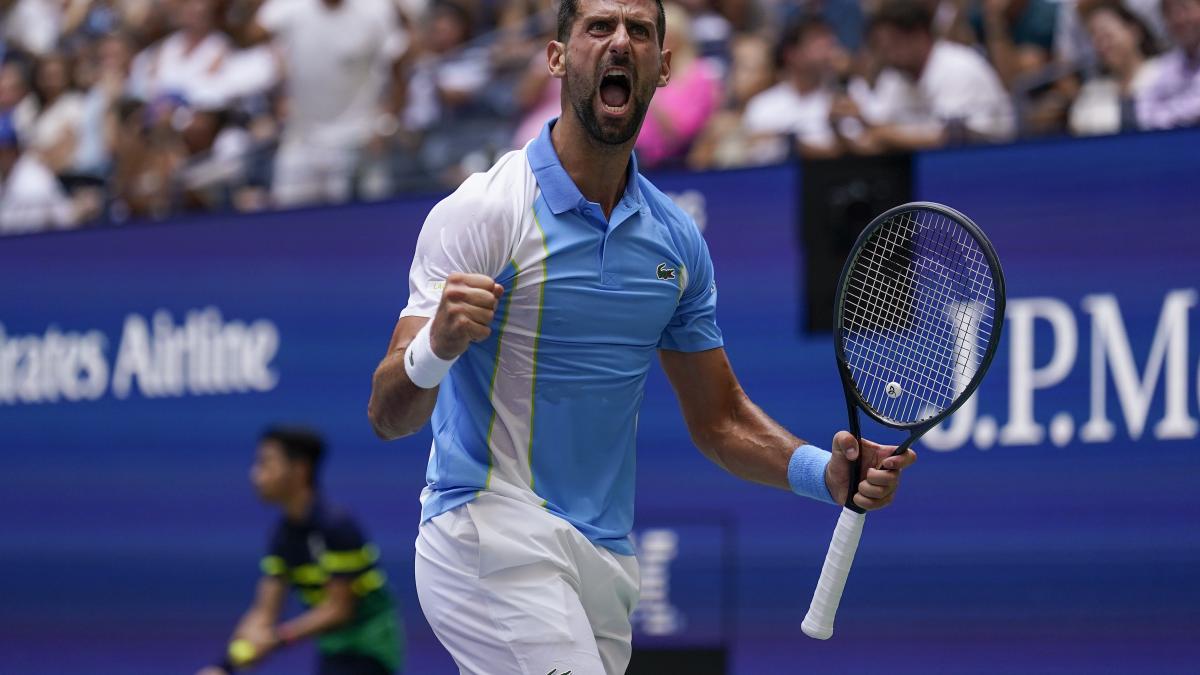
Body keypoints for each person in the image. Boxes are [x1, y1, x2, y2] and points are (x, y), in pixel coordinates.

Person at [366, 0, 918, 672]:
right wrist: (437, 346)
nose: (620, 42)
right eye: (598, 27)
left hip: (602, 559)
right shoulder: (485, 211)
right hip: (487, 530)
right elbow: (386, 415)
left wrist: (822, 472)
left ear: (664, 67)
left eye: (640, 31)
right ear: (558, 57)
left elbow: (720, 418)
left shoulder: (676, 241)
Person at [196, 427, 404, 675]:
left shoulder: (337, 526)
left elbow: (340, 609)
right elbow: (264, 611)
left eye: (266, 463)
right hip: (332, 649)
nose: (255, 474)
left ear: (299, 469)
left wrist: (278, 638)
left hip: (371, 648)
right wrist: (224, 666)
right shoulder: (282, 537)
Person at [841, 0, 1014, 151]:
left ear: (920, 35)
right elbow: (876, 134)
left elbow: (949, 138)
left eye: (895, 42)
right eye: (882, 46)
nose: (888, 53)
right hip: (930, 167)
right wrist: (852, 123)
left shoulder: (957, 66)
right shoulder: (894, 76)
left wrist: (881, 133)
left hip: (991, 159)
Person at [740, 14, 844, 161]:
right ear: (792, 54)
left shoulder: (844, 99)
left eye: (829, 42)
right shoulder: (762, 106)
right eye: (817, 42)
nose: (827, 50)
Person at [1069, 0, 1162, 136]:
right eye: (1095, 38)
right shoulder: (1091, 92)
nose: (1103, 45)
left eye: (1107, 34)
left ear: (1134, 31)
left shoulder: (1166, 72)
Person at [1135, 0, 1200, 129]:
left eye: (1185, 9)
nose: (1179, 19)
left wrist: (1168, 111)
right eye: (1169, 13)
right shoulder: (1166, 65)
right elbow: (1145, 113)